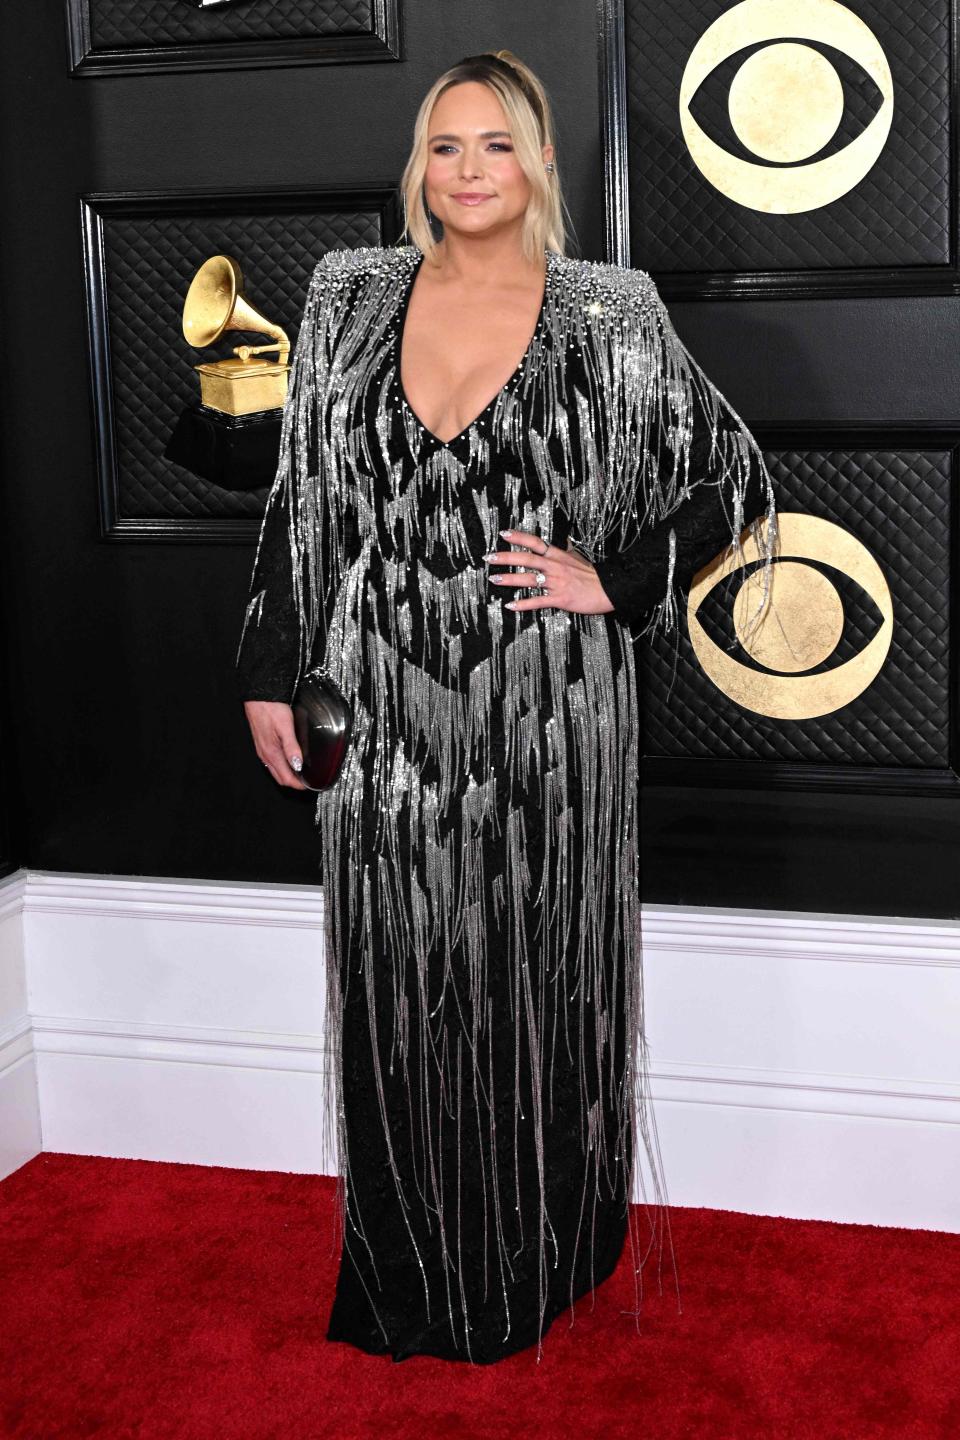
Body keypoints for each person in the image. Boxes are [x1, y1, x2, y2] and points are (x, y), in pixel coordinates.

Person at [236, 49, 779, 1365]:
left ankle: (534, 1263)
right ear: (417, 165)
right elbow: (295, 501)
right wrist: (267, 666)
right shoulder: (347, 297)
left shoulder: (610, 311)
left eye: (494, 145)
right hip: (377, 706)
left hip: (546, 714)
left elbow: (735, 481)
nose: (467, 170)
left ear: (538, 161)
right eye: (442, 146)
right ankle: (405, 1275)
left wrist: (619, 578)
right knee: (397, 979)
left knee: (528, 980)